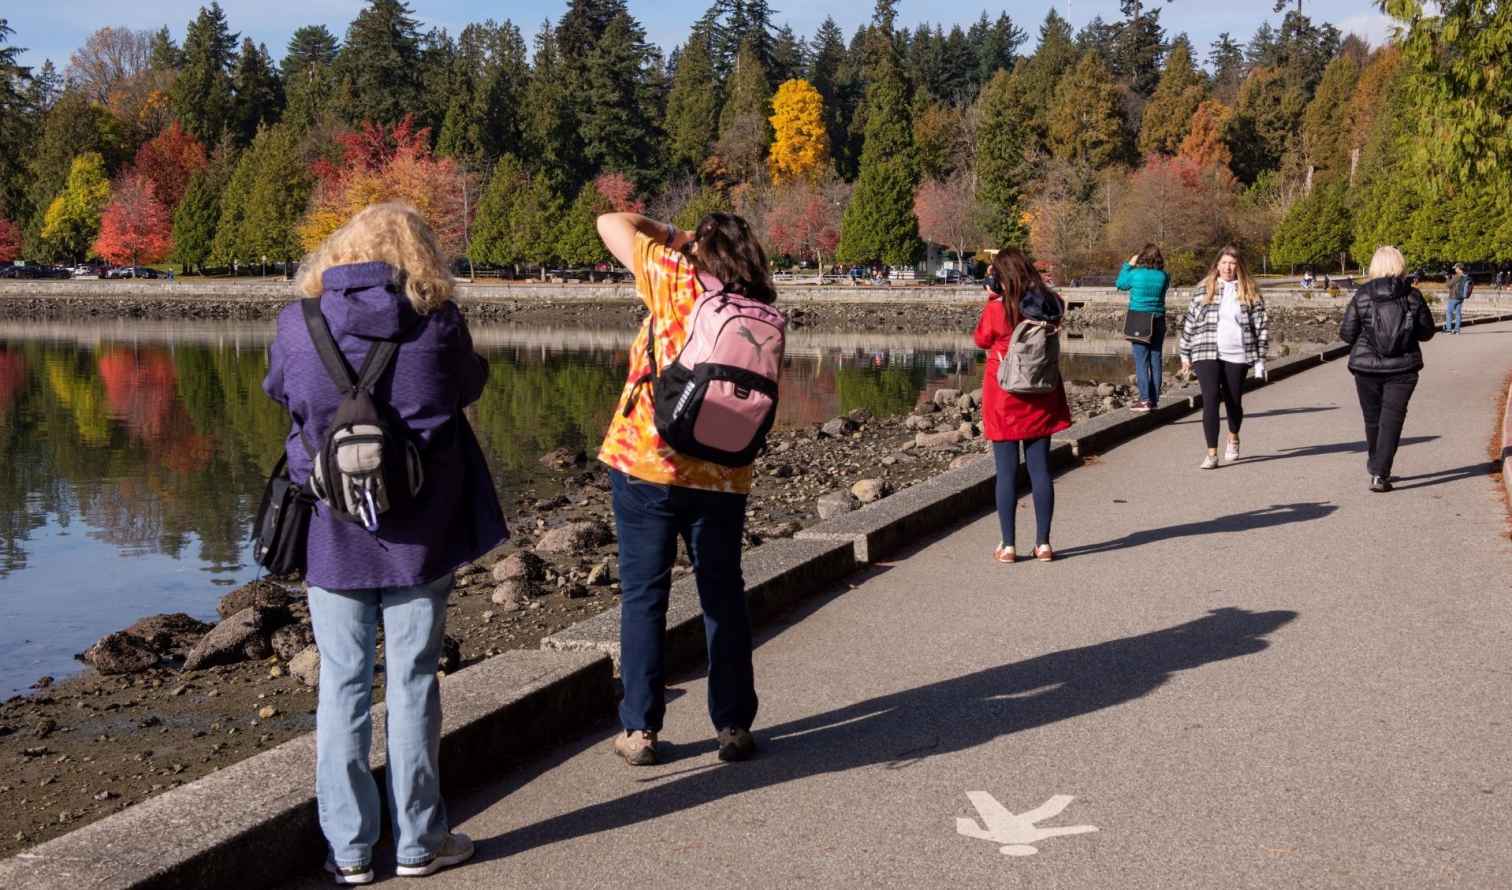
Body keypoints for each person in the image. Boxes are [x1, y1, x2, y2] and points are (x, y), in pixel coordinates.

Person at [263, 203, 506, 885]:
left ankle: (349, 852)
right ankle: (419, 842)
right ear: (419, 254)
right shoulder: (438, 323)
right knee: (413, 682)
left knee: (341, 686)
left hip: (332, 529)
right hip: (420, 532)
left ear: (339, 251)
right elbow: (468, 385)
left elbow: (282, 393)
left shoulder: (298, 323)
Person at [594, 210, 773, 767]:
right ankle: (733, 724)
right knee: (723, 596)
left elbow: (610, 221)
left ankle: (640, 729)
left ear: (700, 247)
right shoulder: (759, 303)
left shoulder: (672, 275)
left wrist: (677, 236)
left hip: (648, 460)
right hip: (724, 469)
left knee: (644, 597)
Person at [974, 247, 1072, 563]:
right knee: (1040, 470)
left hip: (1005, 394)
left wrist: (992, 298)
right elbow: (1058, 309)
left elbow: (981, 340)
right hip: (1041, 390)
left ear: (1000, 277)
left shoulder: (997, 308)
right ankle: (1043, 544)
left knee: (1006, 473)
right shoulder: (1048, 303)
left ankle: (1008, 546)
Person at [1340, 246, 1436, 492]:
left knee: (1372, 418)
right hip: (1403, 366)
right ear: (1400, 266)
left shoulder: (1362, 294)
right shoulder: (1413, 296)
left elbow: (1347, 334)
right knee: (1392, 419)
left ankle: (1376, 464)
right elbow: (1427, 333)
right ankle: (1380, 472)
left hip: (1366, 367)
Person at [1178, 245, 1270, 469]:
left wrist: (1260, 359)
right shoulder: (1204, 289)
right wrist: (1185, 353)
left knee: (1233, 400)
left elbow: (1261, 327)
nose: (1228, 268)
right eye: (1224, 263)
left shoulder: (1249, 291)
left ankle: (1233, 436)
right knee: (1210, 398)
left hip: (1238, 352)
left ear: (1239, 266)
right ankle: (1212, 453)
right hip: (1206, 350)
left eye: (1232, 264)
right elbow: (1190, 321)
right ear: (1217, 265)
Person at [1114, 243, 1172, 413]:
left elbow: (1120, 284)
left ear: (1142, 257)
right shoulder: (1164, 276)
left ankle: (1145, 400)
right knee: (1155, 360)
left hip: (1139, 318)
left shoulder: (1136, 274)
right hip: (1159, 318)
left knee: (1141, 361)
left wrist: (1129, 265)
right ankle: (1154, 400)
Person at [1444, 263, 1472, 334]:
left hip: (1453, 297)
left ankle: (1449, 329)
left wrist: (1447, 278)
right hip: (1461, 297)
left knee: (1449, 313)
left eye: (1456, 268)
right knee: (1458, 313)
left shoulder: (1457, 276)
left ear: (1459, 268)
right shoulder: (1465, 276)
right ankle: (1457, 330)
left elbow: (1448, 285)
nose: (1455, 270)